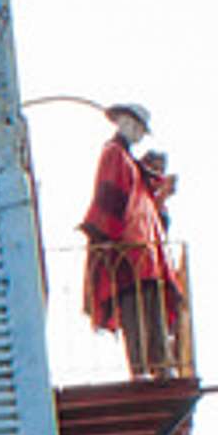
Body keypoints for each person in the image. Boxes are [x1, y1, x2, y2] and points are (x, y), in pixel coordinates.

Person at [80, 101, 183, 378]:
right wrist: (104, 239)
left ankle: (161, 365)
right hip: (129, 251)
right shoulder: (114, 154)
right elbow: (109, 198)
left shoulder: (131, 163)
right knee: (134, 311)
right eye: (135, 126)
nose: (137, 133)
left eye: (140, 129)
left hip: (146, 253)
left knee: (152, 309)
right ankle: (141, 369)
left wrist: (161, 193)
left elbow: (147, 210)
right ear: (124, 122)